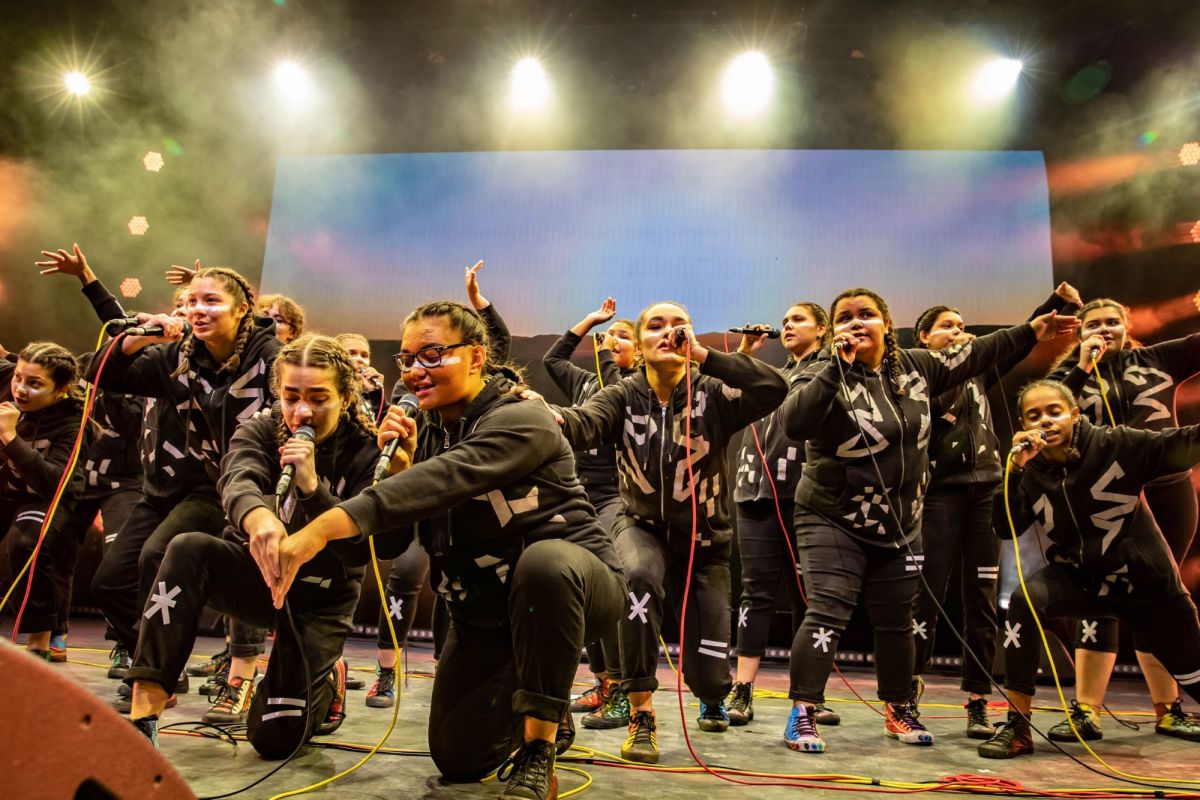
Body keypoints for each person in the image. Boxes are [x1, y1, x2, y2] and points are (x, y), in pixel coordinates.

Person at [269, 301, 625, 800]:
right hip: (486, 614)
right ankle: (534, 699)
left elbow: (448, 477)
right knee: (459, 759)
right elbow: (393, 538)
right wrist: (397, 468)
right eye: (409, 359)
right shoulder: (428, 431)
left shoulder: (524, 417)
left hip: (575, 587)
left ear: (476, 357)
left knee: (545, 563)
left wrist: (319, 528)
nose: (416, 371)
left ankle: (540, 747)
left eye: (433, 354)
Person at [776, 287, 1077, 754]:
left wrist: (1032, 329)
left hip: (902, 520)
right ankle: (803, 713)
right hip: (832, 516)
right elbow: (795, 423)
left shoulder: (916, 368)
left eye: (868, 315)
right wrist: (836, 366)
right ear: (833, 330)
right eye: (846, 317)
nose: (857, 323)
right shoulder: (818, 370)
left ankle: (898, 707)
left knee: (897, 620)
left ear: (886, 323)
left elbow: (977, 351)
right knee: (828, 610)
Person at [551, 300, 788, 763]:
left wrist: (704, 356)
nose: (669, 331)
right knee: (635, 576)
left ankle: (713, 693)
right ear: (639, 345)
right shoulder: (622, 393)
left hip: (706, 544)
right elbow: (584, 423)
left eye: (680, 324)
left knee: (711, 676)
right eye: (655, 326)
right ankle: (642, 713)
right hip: (640, 526)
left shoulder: (713, 391)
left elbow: (773, 387)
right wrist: (554, 416)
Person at [125, 334, 379, 752]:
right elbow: (236, 477)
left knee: (275, 739)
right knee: (188, 547)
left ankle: (326, 679)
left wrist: (313, 488)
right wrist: (258, 517)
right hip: (261, 577)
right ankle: (142, 721)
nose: (301, 411)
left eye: (318, 398)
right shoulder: (262, 428)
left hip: (319, 598)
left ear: (346, 396)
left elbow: (359, 550)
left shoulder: (368, 450)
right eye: (291, 396)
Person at [84, 262, 281, 720]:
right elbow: (102, 372)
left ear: (242, 309)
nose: (197, 309)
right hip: (173, 488)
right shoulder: (178, 355)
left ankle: (158, 681)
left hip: (244, 491)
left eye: (211, 301)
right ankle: (157, 665)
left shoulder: (271, 356)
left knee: (161, 558)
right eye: (191, 301)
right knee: (109, 581)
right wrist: (144, 336)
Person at [979, 379, 1200, 758]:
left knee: (1193, 673)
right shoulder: (1029, 468)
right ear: (1023, 423)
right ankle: (1017, 727)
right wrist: (1013, 471)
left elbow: (1182, 444)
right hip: (1081, 578)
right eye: (1034, 416)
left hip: (1144, 583)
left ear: (1074, 414)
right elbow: (1005, 527)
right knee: (1024, 600)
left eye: (1054, 411)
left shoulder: (1117, 444)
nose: (1045, 421)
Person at [909, 283, 1081, 739]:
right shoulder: (917, 377)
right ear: (923, 338)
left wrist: (1055, 304)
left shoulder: (980, 374)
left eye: (964, 326)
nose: (960, 332)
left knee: (981, 600)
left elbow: (1023, 336)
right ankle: (908, 694)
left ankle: (977, 700)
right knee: (925, 596)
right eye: (948, 326)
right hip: (939, 497)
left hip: (985, 493)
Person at [1044, 296, 1200, 742]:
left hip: (1166, 490)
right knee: (1100, 594)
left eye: (1113, 321)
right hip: (1101, 498)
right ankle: (1086, 711)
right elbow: (1044, 411)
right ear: (1079, 332)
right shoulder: (1066, 377)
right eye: (1094, 323)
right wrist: (1082, 366)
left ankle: (1169, 709)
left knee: (1159, 592)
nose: (1105, 329)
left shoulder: (1157, 358)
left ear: (1127, 325)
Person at [727, 303, 834, 727]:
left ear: (823, 330)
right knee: (755, 593)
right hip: (754, 493)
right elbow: (731, 392)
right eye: (785, 321)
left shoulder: (831, 370)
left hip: (806, 496)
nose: (788, 325)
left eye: (799, 320)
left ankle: (810, 696)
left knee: (806, 597)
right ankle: (743, 689)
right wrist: (747, 350)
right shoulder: (778, 374)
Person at [542, 297, 637, 728]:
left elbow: (613, 386)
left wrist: (606, 355)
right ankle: (601, 680)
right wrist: (590, 323)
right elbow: (552, 358)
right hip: (578, 494)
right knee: (583, 590)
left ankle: (620, 687)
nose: (614, 341)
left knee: (611, 586)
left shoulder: (634, 385)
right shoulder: (582, 382)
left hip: (616, 496)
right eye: (610, 336)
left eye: (624, 337)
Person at [1, 343, 91, 659]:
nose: (20, 389)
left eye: (35, 384)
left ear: (61, 390)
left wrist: (11, 440)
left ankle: (38, 641)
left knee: (26, 542)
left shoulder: (73, 422)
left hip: (49, 496)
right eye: (18, 377)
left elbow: (52, 483)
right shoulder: (7, 382)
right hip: (7, 490)